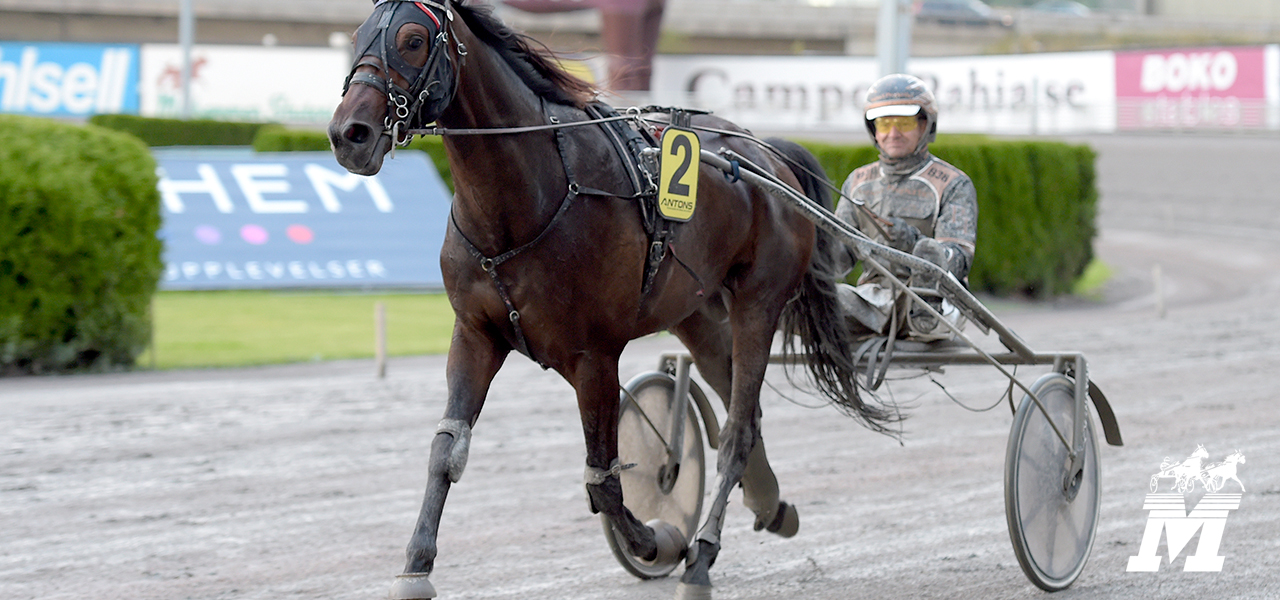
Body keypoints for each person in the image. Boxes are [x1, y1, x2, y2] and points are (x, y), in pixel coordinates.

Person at [834, 73, 978, 340]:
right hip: (871, 302)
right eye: (884, 123)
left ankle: (924, 315)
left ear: (925, 125)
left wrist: (914, 245)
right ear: (873, 130)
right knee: (815, 301)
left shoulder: (953, 183)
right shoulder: (857, 182)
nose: (893, 133)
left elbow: (959, 259)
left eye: (904, 122)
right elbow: (838, 256)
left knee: (926, 253)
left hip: (935, 303)